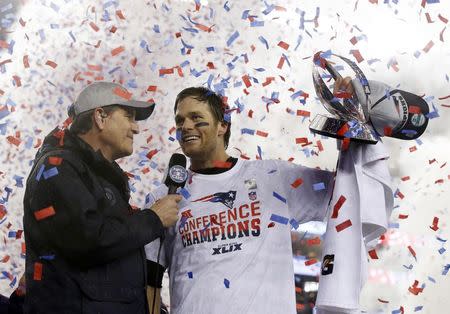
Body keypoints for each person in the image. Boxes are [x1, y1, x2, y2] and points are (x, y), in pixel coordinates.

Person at [144, 78, 392, 313]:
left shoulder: (274, 177)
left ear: (223, 125)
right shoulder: (165, 198)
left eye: (196, 118)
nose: (185, 126)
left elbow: (348, 192)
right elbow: (150, 282)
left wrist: (352, 126)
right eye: (180, 121)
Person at [22, 81, 181, 314]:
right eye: (128, 116)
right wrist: (153, 219)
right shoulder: (57, 167)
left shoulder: (99, 177)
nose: (135, 128)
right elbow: (88, 239)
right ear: (100, 117)